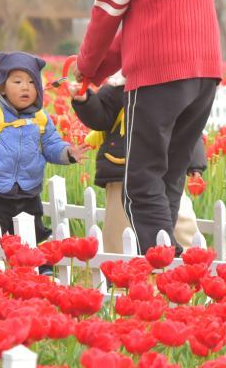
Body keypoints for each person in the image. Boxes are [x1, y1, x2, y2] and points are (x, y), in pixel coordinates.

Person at [73, 0, 222, 254]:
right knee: (168, 178)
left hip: (159, 77)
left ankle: (159, 271)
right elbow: (147, 25)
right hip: (204, 73)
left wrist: (85, 67)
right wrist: (99, 71)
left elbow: (107, 13)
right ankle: (175, 277)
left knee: (139, 182)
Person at [0, 52, 84, 243]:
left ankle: (39, 268)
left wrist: (67, 153)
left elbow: (51, 145)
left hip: (28, 191)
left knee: (32, 236)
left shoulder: (40, 118)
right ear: (2, 87)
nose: (25, 87)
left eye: (32, 82)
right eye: (17, 81)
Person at [71, 72, 207, 252]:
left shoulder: (175, 87)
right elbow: (100, 117)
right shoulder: (119, 85)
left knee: (179, 219)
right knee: (120, 226)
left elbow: (188, 129)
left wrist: (194, 162)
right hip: (121, 169)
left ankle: (189, 266)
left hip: (166, 168)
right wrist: (85, 101)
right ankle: (121, 272)